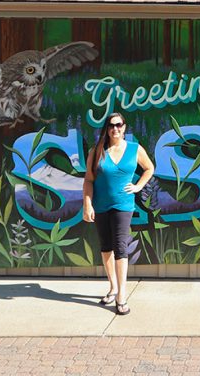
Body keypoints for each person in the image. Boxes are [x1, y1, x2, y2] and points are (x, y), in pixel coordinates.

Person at [82, 112, 155, 315]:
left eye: (119, 125)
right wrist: (87, 204)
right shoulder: (96, 152)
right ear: (106, 128)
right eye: (111, 125)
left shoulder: (134, 149)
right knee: (106, 247)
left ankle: (122, 295)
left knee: (121, 247)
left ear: (125, 127)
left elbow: (149, 168)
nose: (115, 129)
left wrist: (138, 186)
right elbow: (88, 180)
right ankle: (113, 287)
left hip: (123, 205)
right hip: (101, 205)